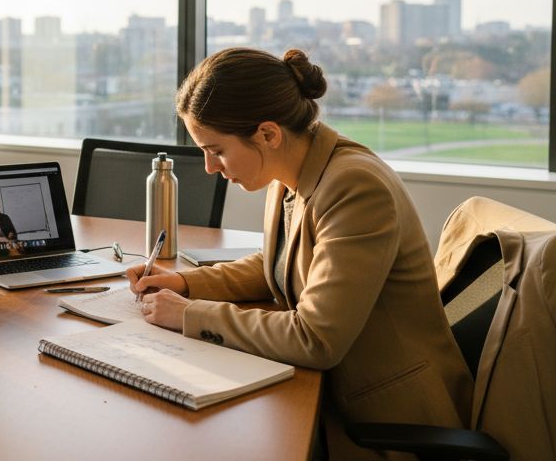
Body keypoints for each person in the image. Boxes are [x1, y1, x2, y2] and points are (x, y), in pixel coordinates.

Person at [127, 48, 471, 458]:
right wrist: (186, 283)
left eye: (216, 150)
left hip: (384, 420)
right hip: (333, 396)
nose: (209, 168)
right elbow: (280, 264)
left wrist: (189, 314)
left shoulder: (356, 187)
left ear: (268, 134)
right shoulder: (289, 172)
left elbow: (315, 339)